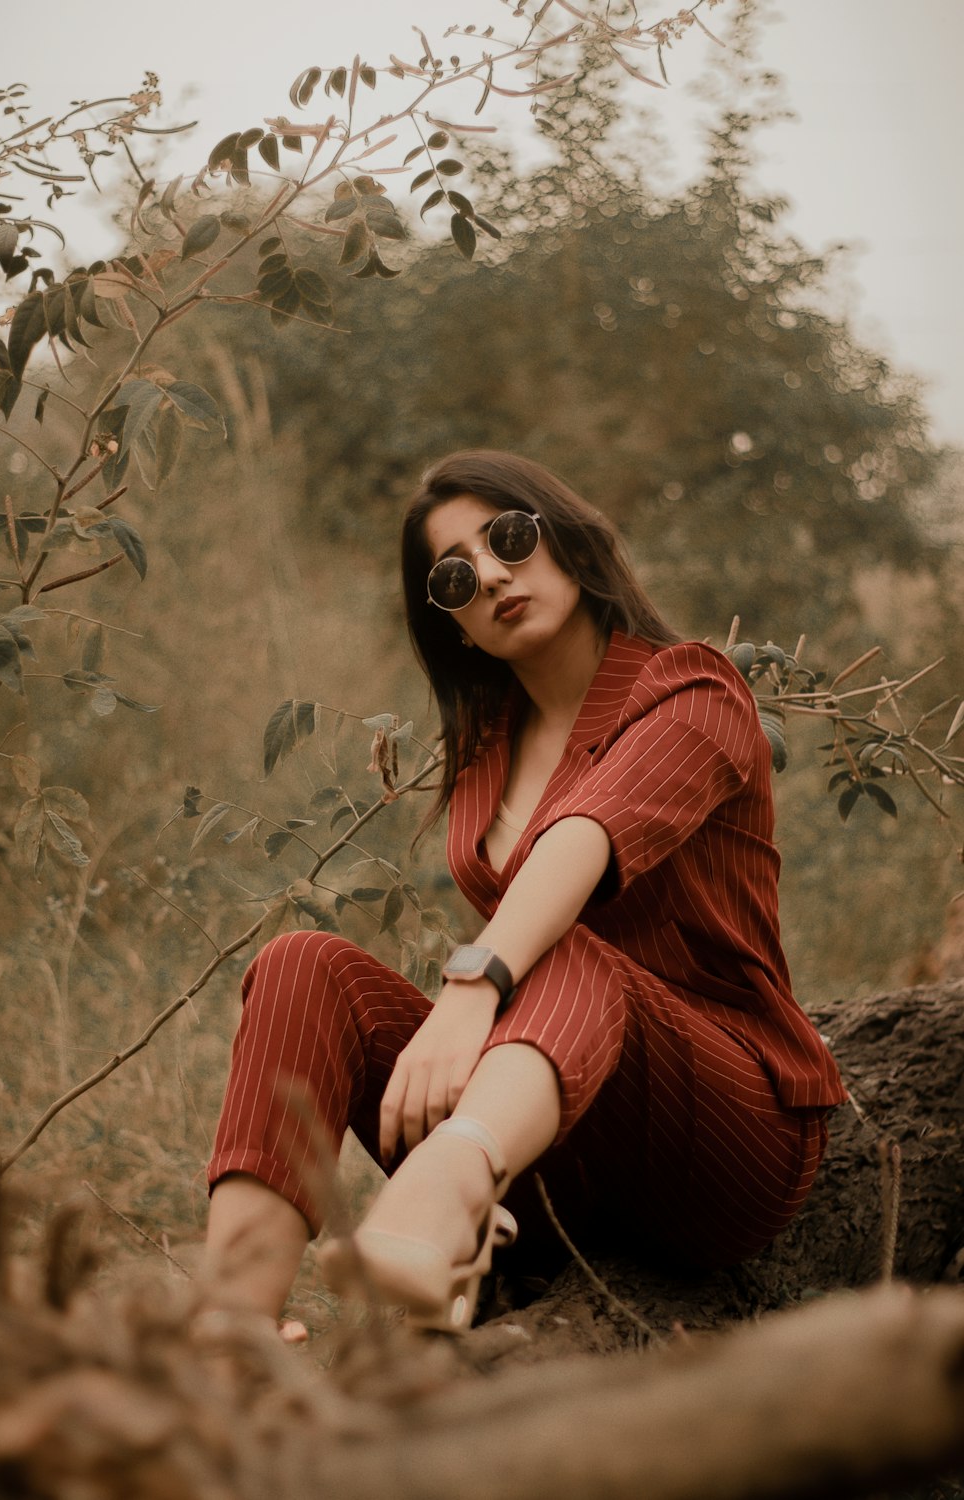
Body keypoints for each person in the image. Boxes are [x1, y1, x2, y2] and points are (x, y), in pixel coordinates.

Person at [200, 450, 846, 1335]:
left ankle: (437, 1204)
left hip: (730, 1137)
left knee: (572, 945)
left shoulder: (695, 691)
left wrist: (472, 989)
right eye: (456, 576)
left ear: (570, 545)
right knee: (301, 964)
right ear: (455, 626)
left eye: (510, 537)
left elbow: (583, 841)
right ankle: (230, 1321)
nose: (493, 574)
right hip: (560, 1145)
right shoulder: (483, 759)